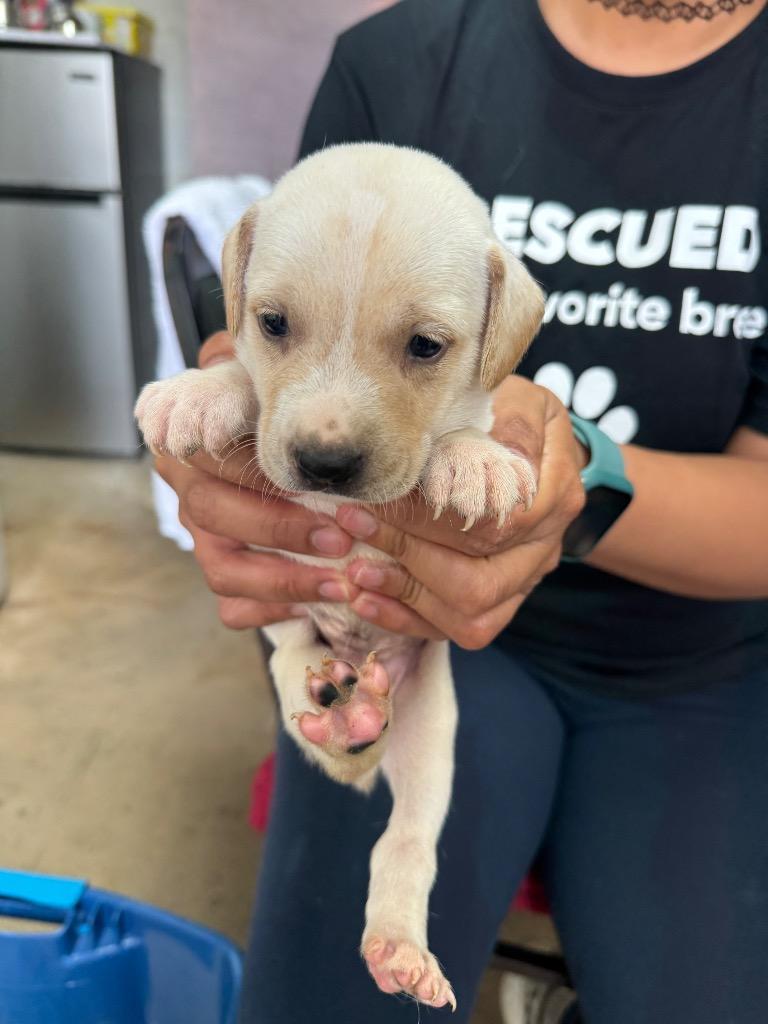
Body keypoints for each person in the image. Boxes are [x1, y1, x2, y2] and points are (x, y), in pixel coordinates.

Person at [156, 1, 768, 1021]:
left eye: (429, 343)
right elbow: (273, 325)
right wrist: (227, 429)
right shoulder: (396, 60)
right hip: (414, 610)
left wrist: (578, 483)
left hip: (695, 659)